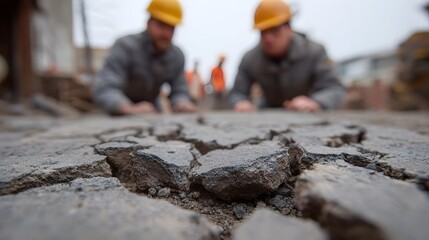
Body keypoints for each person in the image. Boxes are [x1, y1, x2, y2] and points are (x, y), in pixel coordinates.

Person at [230, 0, 345, 112]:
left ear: (289, 29)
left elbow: (333, 88)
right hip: (268, 113)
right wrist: (240, 102)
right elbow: (237, 93)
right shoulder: (250, 59)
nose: (268, 38)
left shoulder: (315, 52)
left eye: (275, 30)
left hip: (304, 114)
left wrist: (316, 102)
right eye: (263, 32)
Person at [93, 0, 196, 115]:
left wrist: (181, 102)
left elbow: (179, 89)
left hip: (151, 111)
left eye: (171, 28)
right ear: (148, 23)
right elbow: (106, 88)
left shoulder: (176, 56)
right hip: (119, 113)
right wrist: (126, 107)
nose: (166, 33)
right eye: (161, 25)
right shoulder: (125, 47)